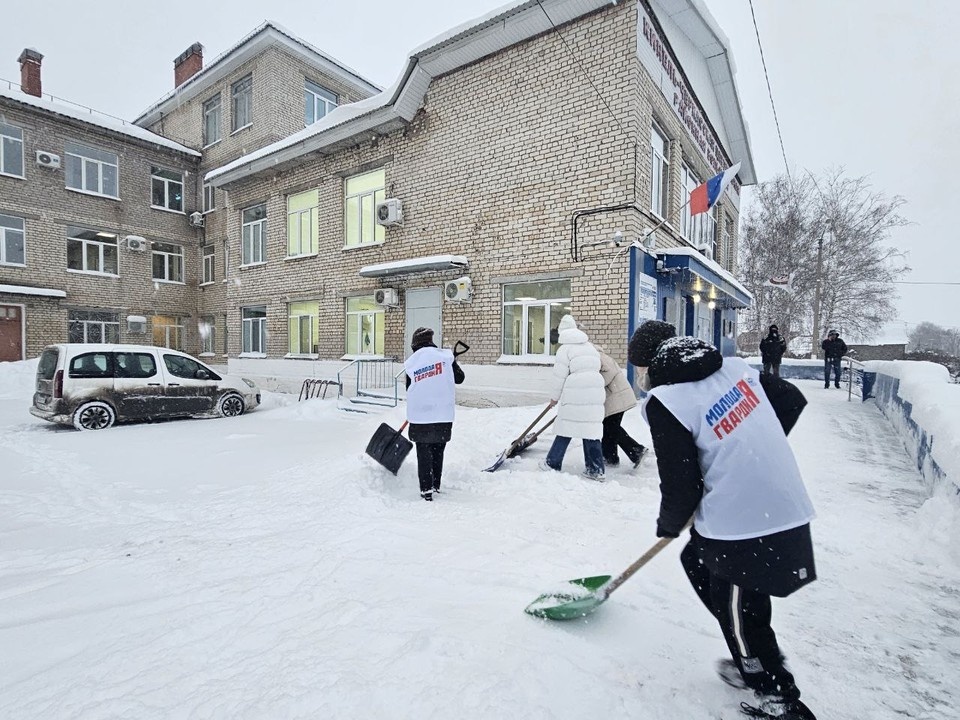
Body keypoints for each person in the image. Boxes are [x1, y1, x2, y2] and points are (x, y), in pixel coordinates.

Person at [628, 319, 818, 720]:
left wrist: (668, 524)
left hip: (745, 522)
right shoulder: (734, 369)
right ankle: (752, 652)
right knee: (697, 563)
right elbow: (791, 400)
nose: (641, 378)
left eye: (640, 369)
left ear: (651, 364)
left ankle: (777, 695)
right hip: (771, 507)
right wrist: (745, 444)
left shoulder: (666, 403)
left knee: (736, 606)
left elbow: (681, 486)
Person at [539, 314, 606, 480]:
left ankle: (552, 462)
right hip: (595, 388)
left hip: (576, 388)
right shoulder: (589, 346)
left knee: (566, 427)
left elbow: (559, 376)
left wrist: (554, 397)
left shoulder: (565, 349)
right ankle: (595, 469)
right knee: (590, 428)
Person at [404, 327, 465, 501]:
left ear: (415, 344)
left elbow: (409, 388)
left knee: (423, 452)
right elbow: (460, 378)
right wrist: (452, 364)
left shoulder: (412, 362)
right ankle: (435, 484)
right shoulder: (446, 357)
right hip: (443, 415)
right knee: (439, 449)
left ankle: (426, 489)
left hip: (421, 416)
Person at [597, 349, 646, 468]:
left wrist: (595, 383)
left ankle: (636, 450)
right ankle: (610, 458)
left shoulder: (598, 356)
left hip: (617, 396)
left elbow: (609, 373)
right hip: (615, 396)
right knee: (608, 428)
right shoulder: (597, 355)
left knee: (611, 428)